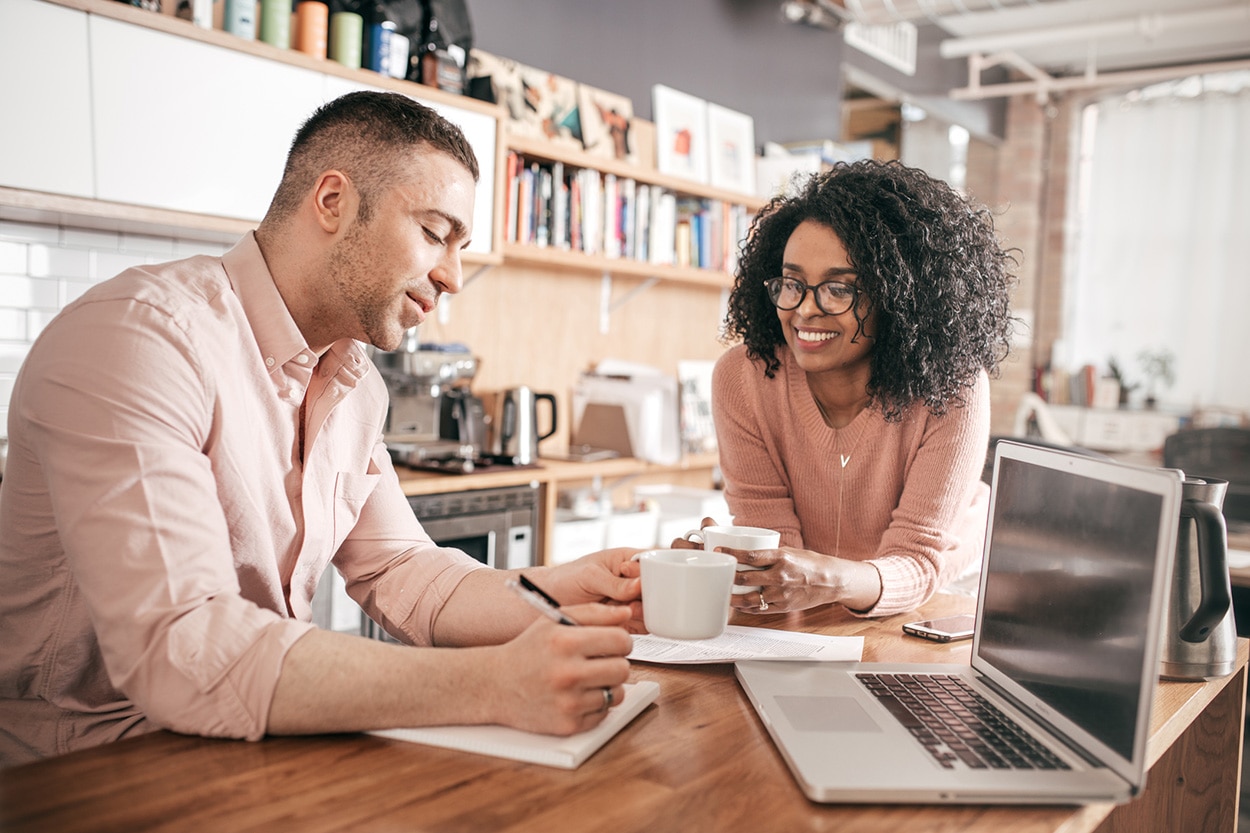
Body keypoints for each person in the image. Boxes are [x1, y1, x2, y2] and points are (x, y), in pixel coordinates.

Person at [0, 91, 642, 766]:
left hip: (247, 748)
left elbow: (405, 571)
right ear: (333, 201)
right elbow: (182, 647)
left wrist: (572, 588)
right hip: (79, 772)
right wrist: (491, 683)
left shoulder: (354, 381)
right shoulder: (141, 337)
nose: (453, 277)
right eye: (433, 233)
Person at [707, 159, 1015, 618]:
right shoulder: (745, 378)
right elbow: (778, 562)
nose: (805, 310)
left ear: (899, 296)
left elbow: (917, 561)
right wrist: (738, 565)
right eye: (792, 283)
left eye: (838, 289)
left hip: (939, 595)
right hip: (816, 599)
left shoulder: (953, 388)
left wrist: (824, 580)